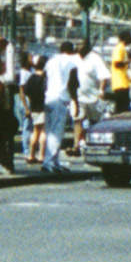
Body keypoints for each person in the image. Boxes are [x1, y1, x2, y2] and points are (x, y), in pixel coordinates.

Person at [41, 44, 79, 173]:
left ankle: (54, 161)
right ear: (72, 50)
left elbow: (44, 78)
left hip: (49, 97)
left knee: (49, 130)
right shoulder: (72, 62)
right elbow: (72, 84)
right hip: (61, 98)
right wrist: (75, 101)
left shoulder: (51, 61)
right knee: (56, 133)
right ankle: (48, 162)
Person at [74, 40, 110, 154]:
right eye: (78, 44)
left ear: (88, 46)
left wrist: (101, 90)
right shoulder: (74, 58)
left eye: (82, 44)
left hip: (93, 97)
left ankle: (93, 143)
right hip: (78, 97)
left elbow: (103, 76)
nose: (79, 46)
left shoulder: (95, 59)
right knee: (78, 119)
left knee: (95, 121)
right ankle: (76, 146)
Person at [22, 55, 48, 165]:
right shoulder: (45, 78)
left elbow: (26, 91)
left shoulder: (31, 77)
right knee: (43, 131)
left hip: (34, 107)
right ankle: (41, 155)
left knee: (35, 131)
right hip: (43, 106)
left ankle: (31, 154)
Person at [109, 31, 131, 114]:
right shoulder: (119, 48)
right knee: (122, 109)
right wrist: (130, 61)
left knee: (125, 107)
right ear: (125, 39)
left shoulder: (122, 48)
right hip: (120, 83)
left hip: (123, 82)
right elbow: (117, 63)